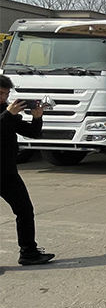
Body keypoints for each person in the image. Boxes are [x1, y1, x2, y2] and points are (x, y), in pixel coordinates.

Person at [0, 74, 55, 265]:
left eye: (6, 94)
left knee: (24, 210)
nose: (3, 98)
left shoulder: (6, 111)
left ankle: (29, 252)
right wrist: (8, 114)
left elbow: (32, 133)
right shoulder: (6, 113)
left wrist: (37, 118)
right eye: (0, 93)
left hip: (6, 172)